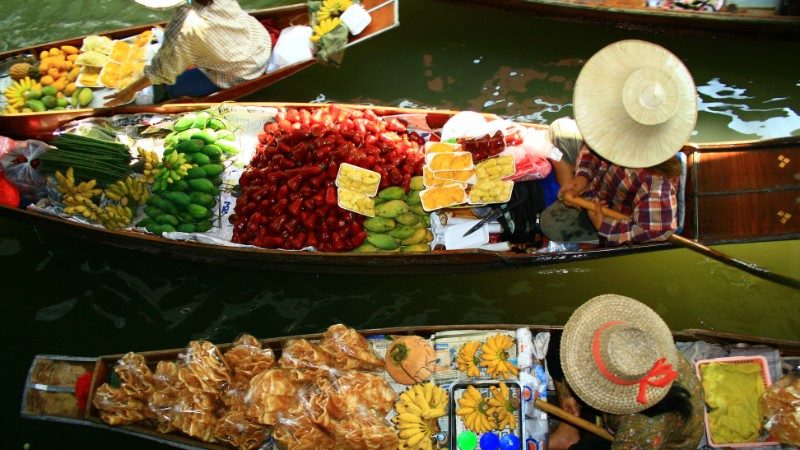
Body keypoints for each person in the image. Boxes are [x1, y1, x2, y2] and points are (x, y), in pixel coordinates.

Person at [540, 40, 697, 246]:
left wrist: (603, 226)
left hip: (611, 212)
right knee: (559, 131)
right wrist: (581, 179)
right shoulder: (607, 127)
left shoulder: (656, 184)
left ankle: (593, 239)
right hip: (595, 188)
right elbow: (592, 145)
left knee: (549, 225)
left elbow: (656, 231)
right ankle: (574, 195)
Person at [547, 294, 704, 450]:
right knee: (559, 342)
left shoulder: (643, 428)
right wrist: (566, 397)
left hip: (648, 439)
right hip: (623, 390)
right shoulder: (638, 342)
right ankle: (569, 425)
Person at [104, 0, 272, 107]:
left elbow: (161, 72)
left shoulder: (183, 29)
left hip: (242, 72)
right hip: (260, 41)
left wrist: (129, 90)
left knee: (173, 86)